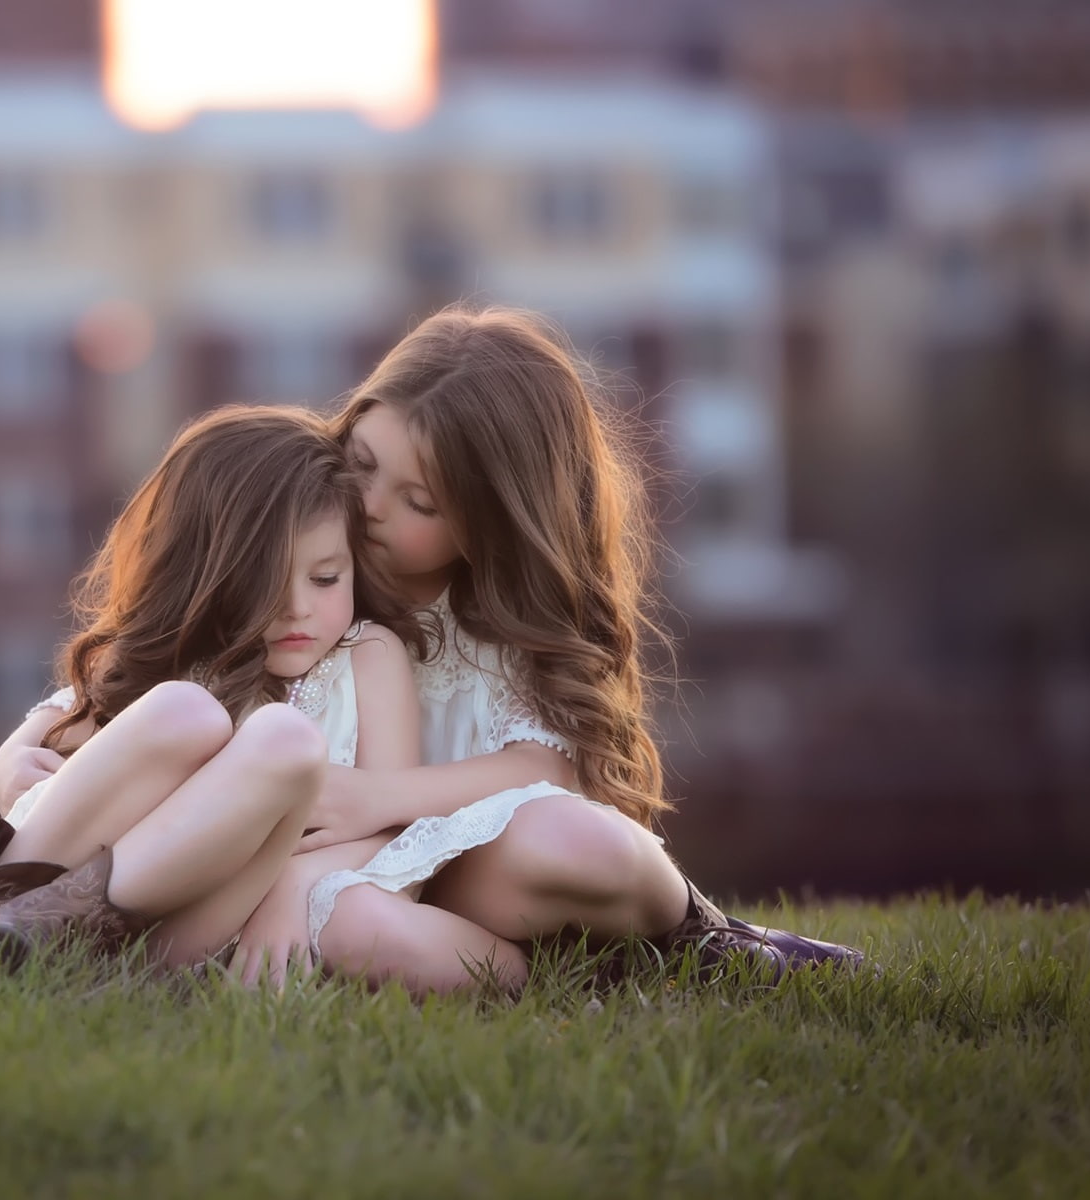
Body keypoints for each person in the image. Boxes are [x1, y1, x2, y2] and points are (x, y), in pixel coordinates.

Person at [237, 306, 864, 994]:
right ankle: (587, 976)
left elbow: (541, 771)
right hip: (345, 880)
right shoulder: (302, 578)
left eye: (419, 501)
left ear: (492, 521)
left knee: (575, 840)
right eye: (361, 464)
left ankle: (700, 934)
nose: (372, 507)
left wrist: (379, 798)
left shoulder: (498, 620)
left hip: (468, 872)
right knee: (355, 925)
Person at [0, 406, 433, 980]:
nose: (297, 608)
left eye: (325, 578)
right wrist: (14, 751)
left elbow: (391, 833)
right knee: (187, 711)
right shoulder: (185, 661)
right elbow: (70, 719)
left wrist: (294, 894)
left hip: (212, 925)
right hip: (65, 882)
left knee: (286, 740)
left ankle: (45, 933)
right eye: (264, 584)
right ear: (209, 574)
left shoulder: (368, 655)